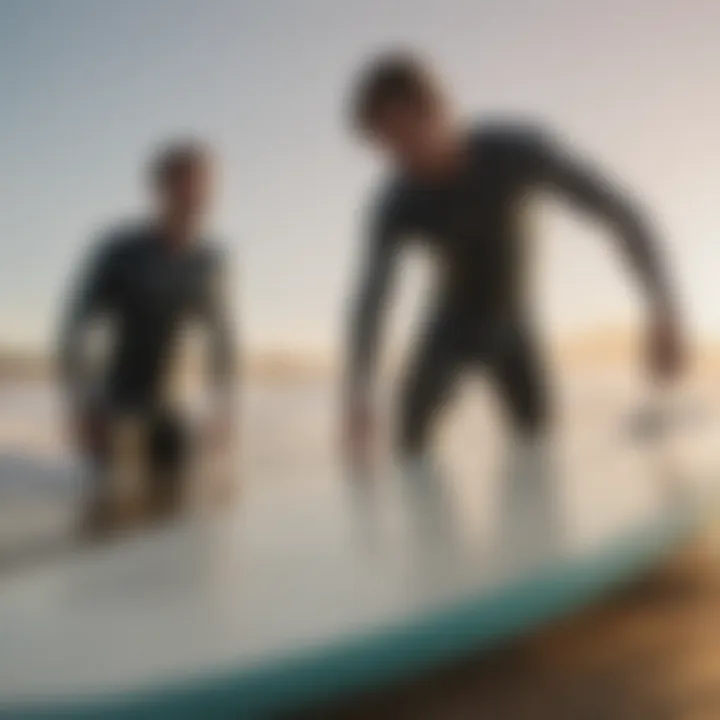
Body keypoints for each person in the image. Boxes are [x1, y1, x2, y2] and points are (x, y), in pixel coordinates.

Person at [344, 53, 684, 469]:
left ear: (437, 109)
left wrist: (662, 303)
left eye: (403, 138)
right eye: (385, 147)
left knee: (538, 451)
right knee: (409, 442)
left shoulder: (515, 154)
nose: (399, 159)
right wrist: (358, 393)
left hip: (515, 328)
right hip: (448, 330)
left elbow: (615, 210)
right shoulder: (399, 202)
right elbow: (372, 298)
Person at [58, 140, 237, 533]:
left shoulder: (209, 261)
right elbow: (75, 328)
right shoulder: (120, 251)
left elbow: (222, 339)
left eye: (205, 186)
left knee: (173, 524)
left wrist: (222, 405)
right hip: (115, 407)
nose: (198, 197)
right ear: (161, 189)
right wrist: (82, 403)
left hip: (171, 408)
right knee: (105, 522)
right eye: (187, 185)